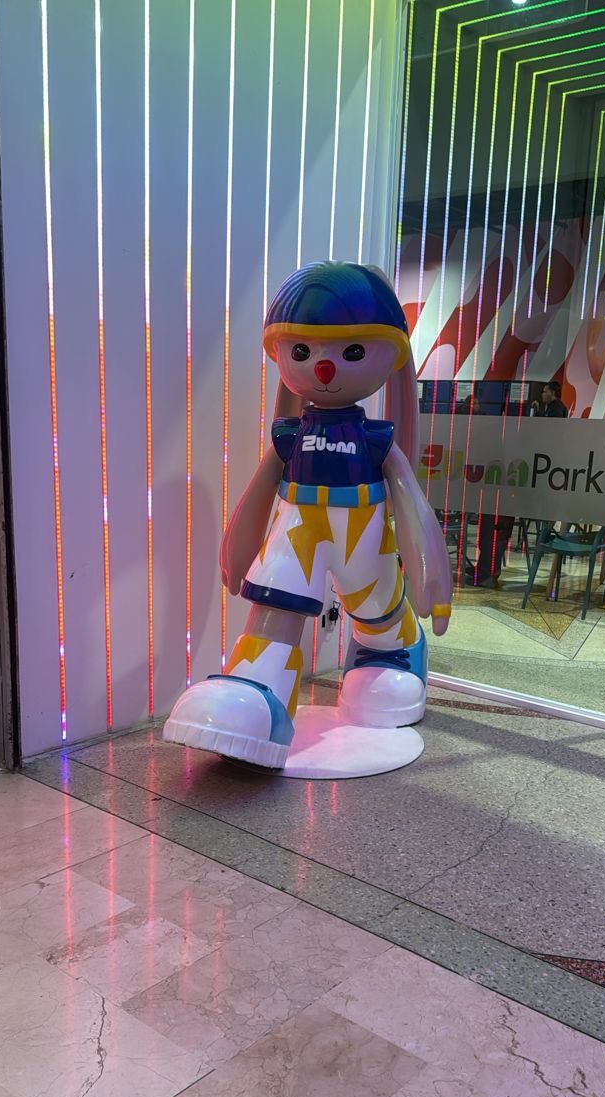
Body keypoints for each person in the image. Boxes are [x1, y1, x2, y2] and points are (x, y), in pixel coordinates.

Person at [162, 261, 453, 768]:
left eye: (352, 351)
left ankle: (392, 648)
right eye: (303, 350)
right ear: (281, 354)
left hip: (366, 538)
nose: (323, 367)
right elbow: (259, 491)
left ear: (390, 357)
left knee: (376, 609)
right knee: (276, 600)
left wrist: (429, 571)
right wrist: (239, 548)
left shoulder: (377, 440)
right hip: (297, 529)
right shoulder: (287, 436)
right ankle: (256, 682)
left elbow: (409, 499)